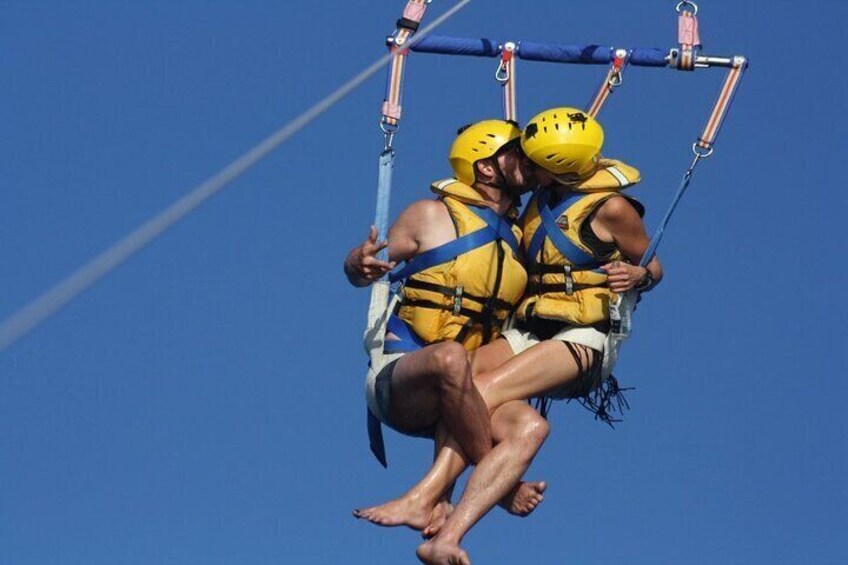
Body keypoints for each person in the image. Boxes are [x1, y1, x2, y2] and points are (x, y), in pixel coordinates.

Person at [399, 108, 665, 565]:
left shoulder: (613, 208)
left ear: (556, 168)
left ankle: (440, 516)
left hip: (584, 336)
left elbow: (655, 265)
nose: (524, 164)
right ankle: (471, 490)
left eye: (533, 160)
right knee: (462, 378)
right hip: (531, 328)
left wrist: (637, 275)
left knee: (481, 392)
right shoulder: (542, 196)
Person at [345, 120, 550, 531]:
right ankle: (501, 487)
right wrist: (358, 262)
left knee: (531, 425)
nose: (528, 161)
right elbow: (360, 266)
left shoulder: (522, 239)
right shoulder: (428, 215)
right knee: (451, 358)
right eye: (517, 153)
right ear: (487, 168)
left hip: (467, 395)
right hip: (402, 380)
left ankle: (435, 506)